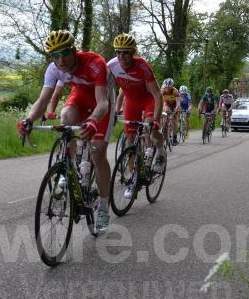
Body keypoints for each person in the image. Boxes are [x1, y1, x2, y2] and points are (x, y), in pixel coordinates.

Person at [17, 30, 114, 235]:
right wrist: (28, 120)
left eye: (63, 53)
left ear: (74, 50)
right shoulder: (54, 69)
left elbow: (103, 102)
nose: (60, 60)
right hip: (79, 97)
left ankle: (104, 207)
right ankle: (68, 170)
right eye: (54, 55)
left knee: (98, 154)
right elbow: (43, 101)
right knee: (66, 116)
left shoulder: (95, 63)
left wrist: (93, 121)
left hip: (100, 102)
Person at [107, 33, 165, 188]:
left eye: (125, 52)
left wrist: (156, 120)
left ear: (133, 52)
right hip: (131, 102)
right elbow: (105, 91)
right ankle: (134, 178)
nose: (121, 56)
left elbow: (157, 94)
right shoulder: (111, 66)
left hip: (148, 100)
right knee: (129, 140)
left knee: (149, 131)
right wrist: (110, 112)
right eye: (118, 52)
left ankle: (159, 151)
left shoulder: (142, 66)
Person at [160, 78, 179, 145]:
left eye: (169, 88)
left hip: (175, 105)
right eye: (166, 87)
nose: (167, 89)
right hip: (167, 104)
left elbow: (178, 103)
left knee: (174, 122)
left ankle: (174, 138)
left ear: (172, 87)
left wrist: (174, 111)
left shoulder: (175, 91)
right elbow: (160, 101)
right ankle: (164, 129)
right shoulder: (162, 90)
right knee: (165, 115)